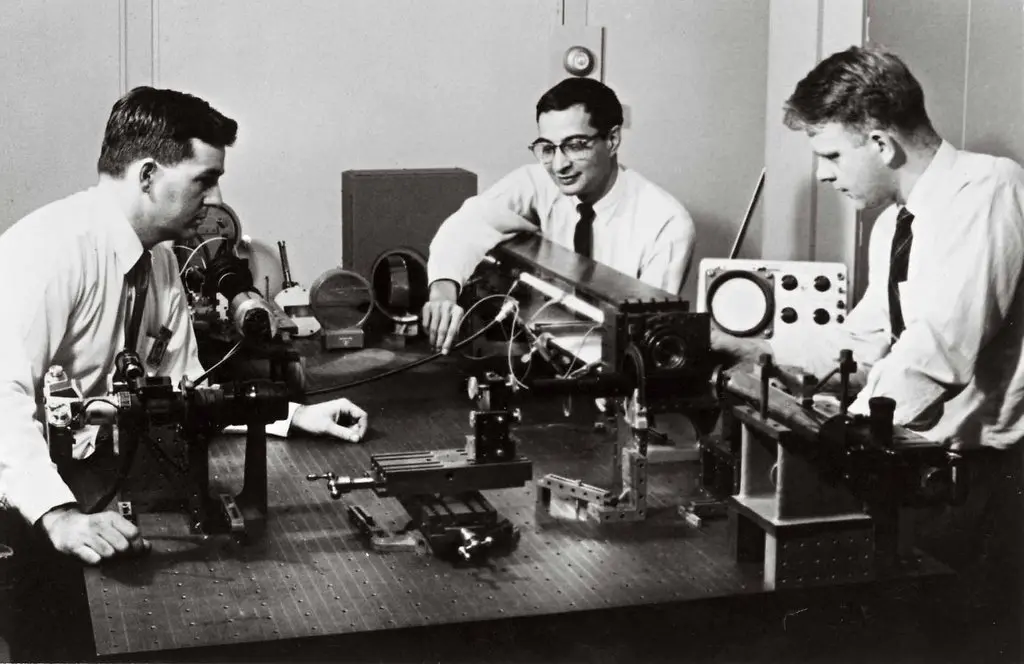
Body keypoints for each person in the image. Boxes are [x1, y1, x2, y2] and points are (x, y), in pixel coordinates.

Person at [713, 45, 1023, 653]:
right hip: (933, 466)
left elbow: (938, 351)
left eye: (831, 155)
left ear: (880, 143)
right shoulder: (893, 224)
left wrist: (832, 437)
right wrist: (753, 354)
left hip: (1001, 478)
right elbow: (868, 340)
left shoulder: (990, 190)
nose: (825, 174)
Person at [0, 87, 368, 565]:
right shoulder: (48, 250)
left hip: (91, 477)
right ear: (148, 175)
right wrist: (58, 515)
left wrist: (289, 415)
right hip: (26, 503)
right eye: (205, 180)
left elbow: (187, 394)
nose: (215, 199)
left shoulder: (158, 261)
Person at [422, 77, 697, 353]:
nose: (559, 165)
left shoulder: (667, 224)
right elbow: (466, 225)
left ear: (612, 140)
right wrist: (443, 292)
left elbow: (646, 336)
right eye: (548, 148)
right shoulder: (537, 183)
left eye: (576, 145)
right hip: (541, 351)